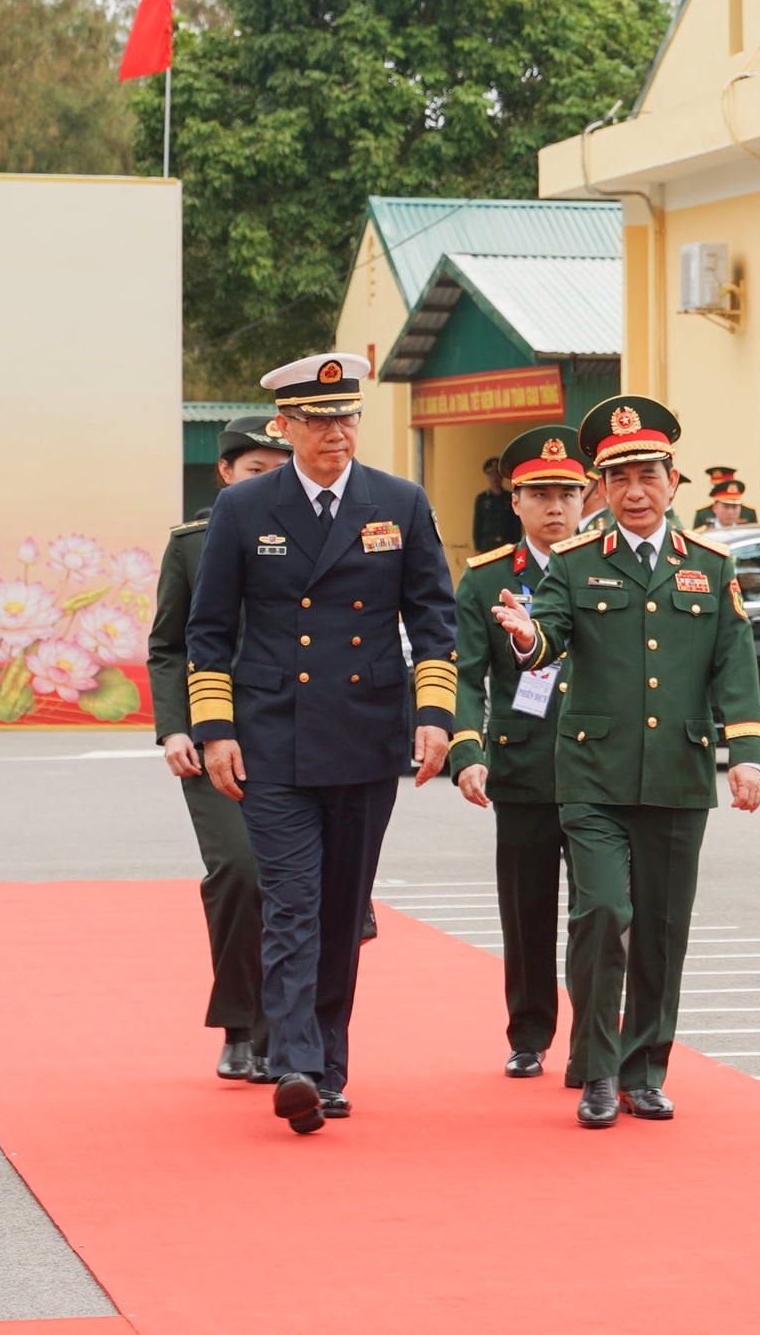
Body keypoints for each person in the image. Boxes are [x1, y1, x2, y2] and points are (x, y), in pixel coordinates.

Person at [186, 352, 458, 1135]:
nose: (335, 431)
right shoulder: (245, 509)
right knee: (292, 904)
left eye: (346, 416)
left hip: (368, 734)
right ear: (286, 426)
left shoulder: (398, 502)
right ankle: (295, 1061)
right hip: (272, 737)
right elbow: (208, 632)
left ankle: (328, 1064)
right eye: (317, 418)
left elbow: (433, 619)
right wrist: (216, 728)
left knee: (342, 910)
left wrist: (434, 715)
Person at [490, 396, 760, 1129]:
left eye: (647, 474)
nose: (635, 492)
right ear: (600, 490)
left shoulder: (710, 567)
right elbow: (545, 633)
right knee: (604, 911)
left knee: (660, 928)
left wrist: (747, 755)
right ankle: (598, 1068)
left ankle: (646, 1069)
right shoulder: (579, 563)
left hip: (677, 775)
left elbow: (732, 668)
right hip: (592, 776)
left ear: (673, 480)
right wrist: (525, 635)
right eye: (618, 478)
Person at [148, 414, 292, 1085]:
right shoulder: (191, 545)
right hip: (213, 735)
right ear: (226, 473)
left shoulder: (306, 534)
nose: (268, 481)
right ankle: (239, 1021)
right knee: (239, 870)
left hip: (294, 734)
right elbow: (169, 645)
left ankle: (272, 1036)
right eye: (255, 469)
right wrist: (176, 727)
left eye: (278, 469)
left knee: (291, 880)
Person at [449, 425, 587, 1081]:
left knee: (600, 913)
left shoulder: (608, 565)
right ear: (515, 499)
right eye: (540, 493)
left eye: (568, 492)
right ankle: (529, 1031)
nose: (555, 507)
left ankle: (596, 1039)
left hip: (602, 771)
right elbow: (463, 672)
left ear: (588, 496)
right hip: (525, 767)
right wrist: (467, 749)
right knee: (528, 909)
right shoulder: (485, 581)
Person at [472, 457, 518, 555]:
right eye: (491, 474)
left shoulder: (510, 497)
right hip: (487, 545)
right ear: (487, 476)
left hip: (507, 543)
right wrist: (477, 548)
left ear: (502, 477)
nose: (494, 478)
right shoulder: (482, 499)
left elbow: (516, 525)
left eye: (497, 474)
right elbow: (477, 524)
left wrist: (517, 546)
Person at [691, 465, 757, 528]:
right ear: (715, 508)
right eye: (715, 487)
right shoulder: (702, 513)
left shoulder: (749, 513)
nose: (730, 512)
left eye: (734, 507)